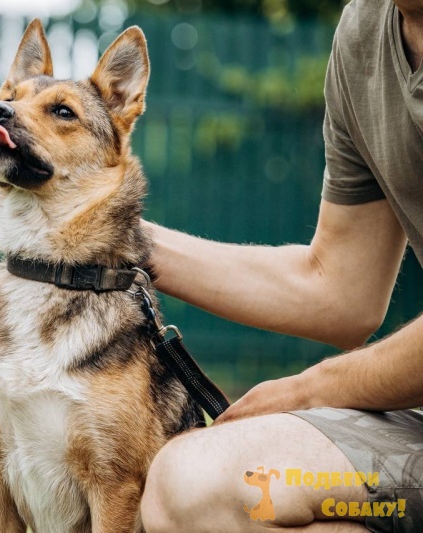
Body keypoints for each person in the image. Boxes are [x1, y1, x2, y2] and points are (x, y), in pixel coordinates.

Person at [139, 0, 423, 531]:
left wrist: (307, 391)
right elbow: (340, 290)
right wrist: (122, 239)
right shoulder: (365, 34)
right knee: (197, 482)